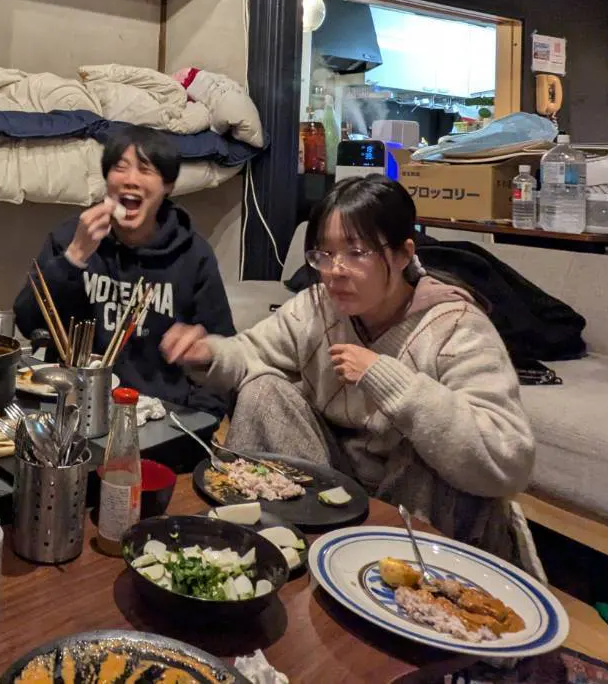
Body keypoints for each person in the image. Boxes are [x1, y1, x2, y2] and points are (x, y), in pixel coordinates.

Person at [161, 176, 535, 562]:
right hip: (334, 486)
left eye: (356, 253)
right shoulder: (316, 307)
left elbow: (507, 457)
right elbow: (249, 353)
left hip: (417, 507)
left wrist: (389, 381)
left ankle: (403, 569)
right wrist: (209, 353)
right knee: (262, 389)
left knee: (431, 444)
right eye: (324, 254)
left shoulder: (456, 327)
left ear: (403, 254)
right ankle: (264, 547)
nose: (335, 270)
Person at [13, 125, 234, 414]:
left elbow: (224, 356)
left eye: (145, 169)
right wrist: (74, 257)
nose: (130, 180)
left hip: (161, 413)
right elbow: (27, 322)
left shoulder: (194, 254)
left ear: (168, 186)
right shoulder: (71, 238)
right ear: (107, 180)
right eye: (120, 168)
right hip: (75, 408)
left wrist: (200, 420)